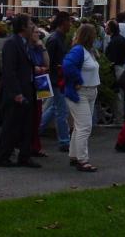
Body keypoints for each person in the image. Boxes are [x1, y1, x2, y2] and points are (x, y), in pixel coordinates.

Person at [0, 14, 41, 168]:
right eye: (30, 23)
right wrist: (17, 93)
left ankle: (24, 156)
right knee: (11, 126)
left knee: (27, 125)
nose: (33, 26)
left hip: (28, 89)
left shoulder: (27, 43)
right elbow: (9, 71)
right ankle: (2, 157)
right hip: (16, 92)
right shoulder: (11, 44)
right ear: (22, 27)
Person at [62, 23, 101, 172]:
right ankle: (82, 160)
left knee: (80, 126)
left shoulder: (86, 51)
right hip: (81, 92)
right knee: (85, 127)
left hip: (88, 91)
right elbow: (67, 65)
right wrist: (78, 80)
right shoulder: (79, 50)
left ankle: (74, 156)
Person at [39, 11, 71, 153]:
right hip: (55, 80)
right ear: (63, 23)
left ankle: (37, 130)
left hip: (55, 79)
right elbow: (47, 61)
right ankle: (64, 141)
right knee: (61, 110)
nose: (70, 24)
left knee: (54, 108)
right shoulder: (55, 39)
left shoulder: (57, 38)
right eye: (69, 21)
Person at [27, 24, 50, 158]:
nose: (38, 34)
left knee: (38, 114)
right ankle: (32, 145)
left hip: (41, 81)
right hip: (33, 82)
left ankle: (35, 144)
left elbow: (47, 64)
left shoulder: (37, 47)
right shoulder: (26, 48)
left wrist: (42, 47)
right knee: (32, 115)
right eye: (36, 32)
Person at [104, 19, 125, 125]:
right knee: (119, 95)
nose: (105, 28)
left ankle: (119, 119)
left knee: (118, 96)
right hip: (121, 68)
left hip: (116, 69)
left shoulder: (114, 41)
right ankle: (119, 118)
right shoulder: (122, 39)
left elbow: (112, 59)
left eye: (107, 27)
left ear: (110, 28)